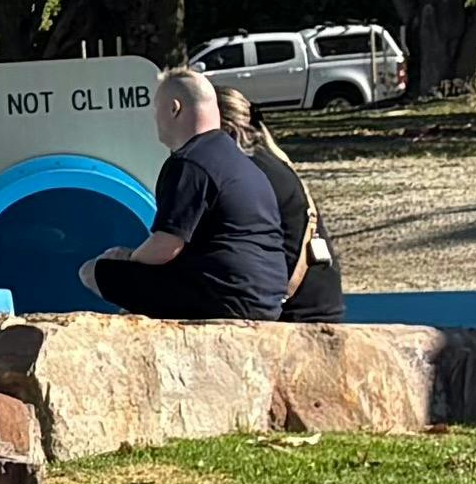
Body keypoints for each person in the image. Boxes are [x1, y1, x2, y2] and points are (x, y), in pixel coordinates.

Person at [81, 66, 290, 320]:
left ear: (173, 109)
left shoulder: (190, 163)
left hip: (222, 298)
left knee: (95, 271)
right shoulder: (243, 163)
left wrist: (126, 257)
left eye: (156, 109)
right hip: (266, 300)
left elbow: (164, 248)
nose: (154, 118)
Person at [217, 91, 346, 324]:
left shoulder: (247, 172)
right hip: (318, 304)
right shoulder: (271, 160)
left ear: (224, 127)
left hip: (297, 314)